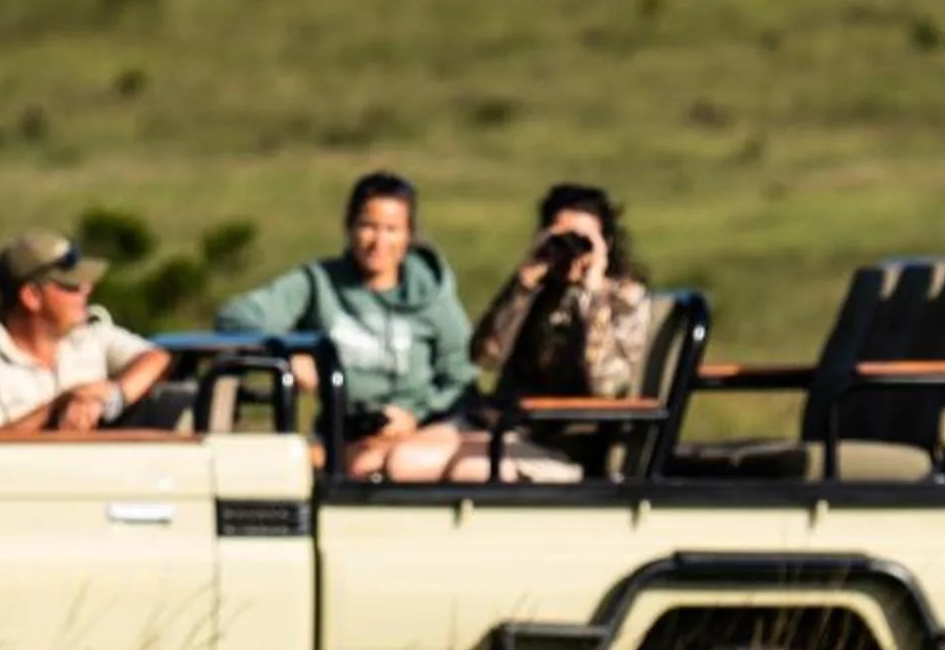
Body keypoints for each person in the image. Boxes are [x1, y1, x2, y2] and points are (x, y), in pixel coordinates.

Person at [217, 171, 479, 480]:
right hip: (340, 433)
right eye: (368, 226)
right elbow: (236, 316)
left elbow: (462, 380)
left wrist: (414, 416)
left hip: (416, 435)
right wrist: (285, 352)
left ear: (409, 235)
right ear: (349, 227)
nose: (378, 242)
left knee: (372, 465)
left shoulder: (432, 298)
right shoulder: (320, 282)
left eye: (392, 229)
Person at [0, 229, 171, 432]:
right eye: (71, 287)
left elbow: (156, 358)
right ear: (32, 297)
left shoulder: (92, 335)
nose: (87, 289)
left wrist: (112, 396)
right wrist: (57, 408)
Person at [471, 183, 655, 400]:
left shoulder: (625, 299)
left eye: (583, 242)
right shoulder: (536, 293)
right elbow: (486, 357)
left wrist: (593, 296)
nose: (572, 252)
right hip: (513, 416)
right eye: (562, 240)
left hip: (577, 423)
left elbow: (607, 386)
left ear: (605, 245)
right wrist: (521, 287)